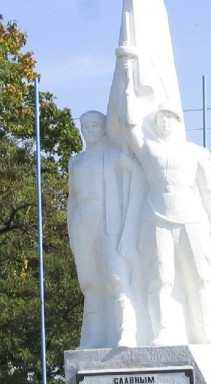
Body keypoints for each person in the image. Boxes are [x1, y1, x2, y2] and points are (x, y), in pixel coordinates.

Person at [116, 50, 211, 346]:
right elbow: (129, 123)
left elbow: (210, 189)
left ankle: (204, 328)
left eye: (170, 117)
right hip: (155, 217)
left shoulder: (196, 152)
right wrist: (128, 75)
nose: (165, 122)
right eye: (161, 117)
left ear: (178, 121)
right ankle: (164, 329)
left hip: (190, 218)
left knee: (199, 277)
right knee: (160, 279)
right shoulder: (148, 150)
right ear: (155, 122)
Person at [67, 110, 144, 348]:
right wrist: (72, 230)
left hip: (109, 222)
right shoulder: (76, 161)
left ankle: (126, 332)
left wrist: (130, 165)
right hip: (83, 223)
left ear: (102, 129)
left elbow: (140, 178)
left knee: (115, 276)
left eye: (94, 125)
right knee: (90, 283)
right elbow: (72, 198)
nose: (89, 130)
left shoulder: (113, 155)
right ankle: (95, 336)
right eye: (85, 126)